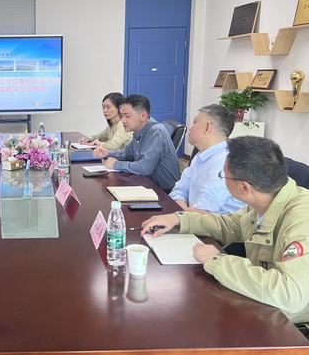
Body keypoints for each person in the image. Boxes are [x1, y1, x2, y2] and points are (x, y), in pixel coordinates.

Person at [141, 136, 309, 325]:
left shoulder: (300, 218)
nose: (222, 179)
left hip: (289, 325)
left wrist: (217, 261)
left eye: (224, 175)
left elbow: (291, 295)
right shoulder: (267, 198)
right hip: (263, 303)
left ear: (244, 187)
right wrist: (179, 219)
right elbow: (230, 224)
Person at [92, 94, 180, 192]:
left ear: (143, 116)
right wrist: (107, 153)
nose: (123, 120)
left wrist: (116, 164)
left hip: (163, 191)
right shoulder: (138, 129)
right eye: (121, 116)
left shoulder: (156, 131)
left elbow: (144, 168)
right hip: (145, 183)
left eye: (127, 116)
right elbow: (128, 153)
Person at [170, 104, 245, 214]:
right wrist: (184, 212)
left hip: (217, 224)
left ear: (207, 127)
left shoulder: (225, 161)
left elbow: (205, 209)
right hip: (194, 218)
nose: (190, 128)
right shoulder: (200, 155)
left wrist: (184, 215)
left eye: (195, 122)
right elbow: (180, 189)